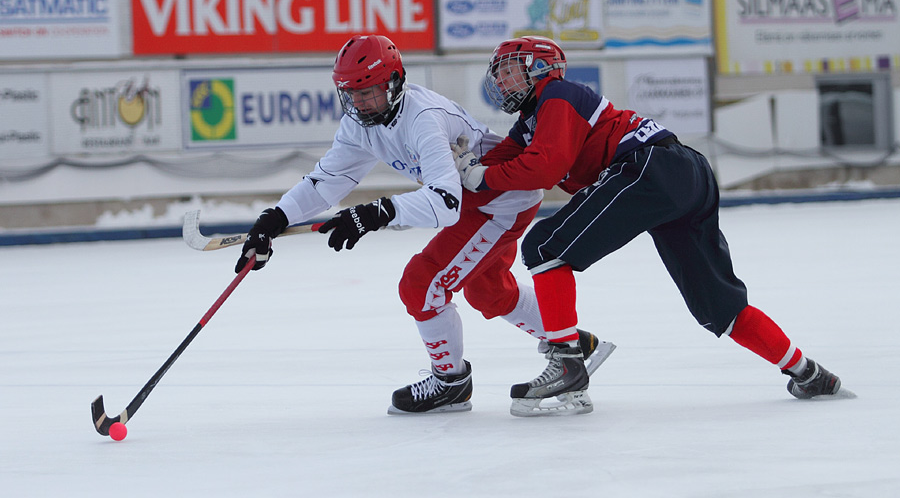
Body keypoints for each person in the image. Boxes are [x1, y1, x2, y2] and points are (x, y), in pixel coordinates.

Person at [451, 35, 845, 417]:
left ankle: (569, 363)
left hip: (650, 167)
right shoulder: (530, 121)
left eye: (509, 71)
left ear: (540, 68)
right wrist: (449, 174)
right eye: (498, 73)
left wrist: (479, 176)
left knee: (544, 246)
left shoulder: (557, 94)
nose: (500, 81)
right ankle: (807, 372)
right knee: (718, 307)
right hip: (685, 173)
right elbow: (497, 164)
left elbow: (543, 165)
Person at [234, 34, 616, 415]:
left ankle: (451, 382)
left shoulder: (423, 118)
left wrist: (376, 213)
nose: (361, 103)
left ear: (395, 82)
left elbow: (445, 203)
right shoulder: (359, 123)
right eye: (352, 93)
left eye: (369, 91)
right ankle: (576, 345)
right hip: (480, 200)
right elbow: (326, 181)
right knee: (488, 292)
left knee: (421, 283)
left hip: (496, 202)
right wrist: (274, 219)